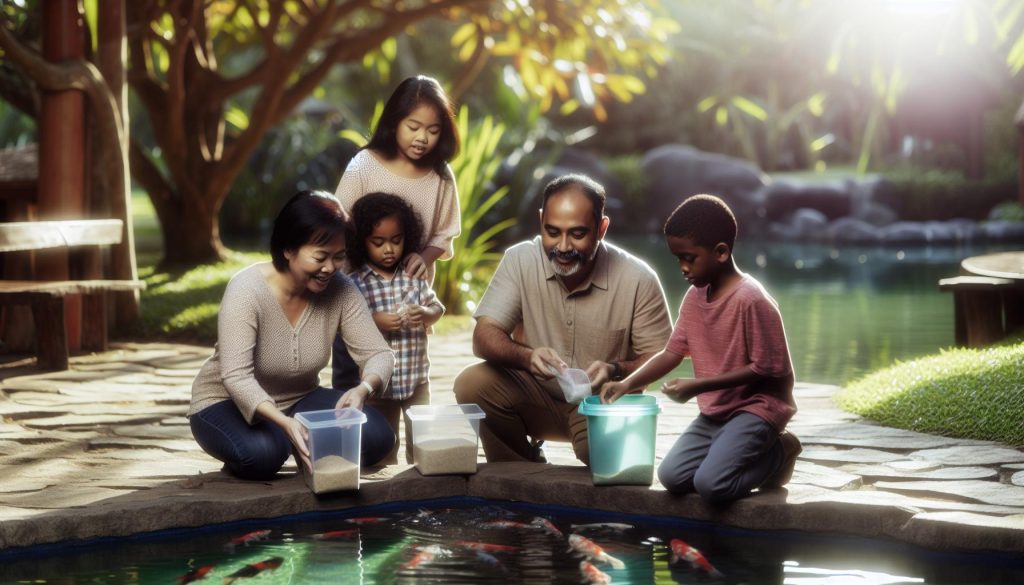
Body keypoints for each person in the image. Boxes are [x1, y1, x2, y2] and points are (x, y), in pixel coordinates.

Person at [453, 174, 673, 464]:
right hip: (534, 397)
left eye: (578, 234)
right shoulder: (519, 260)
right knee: (472, 384)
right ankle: (516, 468)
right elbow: (484, 337)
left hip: (602, 405)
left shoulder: (638, 279)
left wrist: (615, 368)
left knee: (604, 459)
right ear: (541, 220)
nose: (564, 246)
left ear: (602, 228)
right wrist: (527, 357)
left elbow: (663, 359)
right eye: (552, 231)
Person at [600, 194, 800, 504]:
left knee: (712, 485)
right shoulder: (694, 299)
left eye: (689, 258)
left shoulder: (752, 300)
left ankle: (778, 453)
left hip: (758, 408)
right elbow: (671, 353)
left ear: (720, 252)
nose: (682, 267)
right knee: (672, 478)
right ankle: (736, 447)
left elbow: (765, 368)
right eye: (677, 258)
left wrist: (698, 386)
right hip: (717, 412)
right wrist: (627, 383)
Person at [188, 190, 396, 481]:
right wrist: (283, 423)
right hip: (224, 402)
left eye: (339, 257)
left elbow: (379, 353)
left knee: (378, 437)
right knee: (263, 455)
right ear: (288, 249)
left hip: (301, 398)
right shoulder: (247, 290)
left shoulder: (341, 289)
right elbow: (235, 376)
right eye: (320, 257)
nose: (330, 268)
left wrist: (363, 389)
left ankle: (296, 439)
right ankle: (287, 439)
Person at [332, 74, 461, 390]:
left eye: (433, 130)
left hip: (407, 306)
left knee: (409, 383)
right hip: (359, 297)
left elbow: (444, 233)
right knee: (352, 384)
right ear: (394, 122)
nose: (422, 138)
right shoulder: (364, 165)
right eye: (413, 127)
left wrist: (424, 255)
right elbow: (337, 226)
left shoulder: (440, 176)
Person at [347, 192, 445, 464]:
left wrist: (425, 314)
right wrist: (374, 321)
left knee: (422, 439)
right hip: (380, 387)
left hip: (416, 380)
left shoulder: (413, 276)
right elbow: (347, 327)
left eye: (396, 240)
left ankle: (420, 475)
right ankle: (388, 480)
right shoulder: (356, 283)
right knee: (384, 442)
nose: (388, 249)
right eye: (378, 242)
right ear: (361, 242)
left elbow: (437, 309)